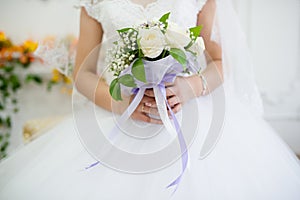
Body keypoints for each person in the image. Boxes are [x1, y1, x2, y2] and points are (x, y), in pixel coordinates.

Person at [0, 0, 300, 199]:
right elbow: (83, 73)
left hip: (193, 117)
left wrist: (191, 87)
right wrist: (121, 103)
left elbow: (220, 61)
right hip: (122, 119)